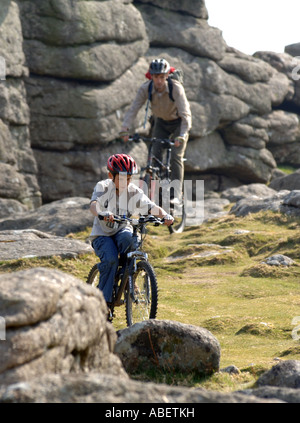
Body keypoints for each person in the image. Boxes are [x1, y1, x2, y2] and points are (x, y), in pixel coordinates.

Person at [89, 153, 174, 306]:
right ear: (110, 175)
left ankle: (130, 278)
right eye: (122, 178)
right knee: (111, 260)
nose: (125, 182)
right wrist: (102, 213)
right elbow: (94, 204)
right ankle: (102, 305)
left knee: (130, 239)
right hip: (102, 235)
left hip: (122, 229)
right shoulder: (102, 186)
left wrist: (165, 215)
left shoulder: (133, 191)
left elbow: (151, 207)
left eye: (128, 179)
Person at [120, 58, 192, 201]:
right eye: (155, 77)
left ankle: (176, 195)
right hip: (160, 123)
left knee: (176, 157)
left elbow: (186, 115)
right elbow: (133, 109)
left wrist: (182, 136)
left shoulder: (175, 88)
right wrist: (125, 128)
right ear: (151, 76)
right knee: (154, 156)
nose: (158, 81)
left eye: (161, 77)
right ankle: (155, 193)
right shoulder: (146, 88)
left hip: (178, 124)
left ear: (166, 76)